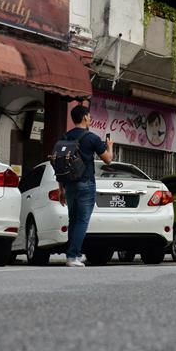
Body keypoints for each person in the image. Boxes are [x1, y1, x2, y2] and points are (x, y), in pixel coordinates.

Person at [58, 105, 113, 267]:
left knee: (73, 220)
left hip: (69, 184)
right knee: (82, 220)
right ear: (84, 118)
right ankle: (73, 256)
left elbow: (60, 164)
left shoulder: (65, 137)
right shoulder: (92, 138)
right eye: (89, 116)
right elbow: (108, 159)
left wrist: (61, 188)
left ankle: (74, 254)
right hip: (86, 183)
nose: (90, 119)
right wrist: (109, 146)